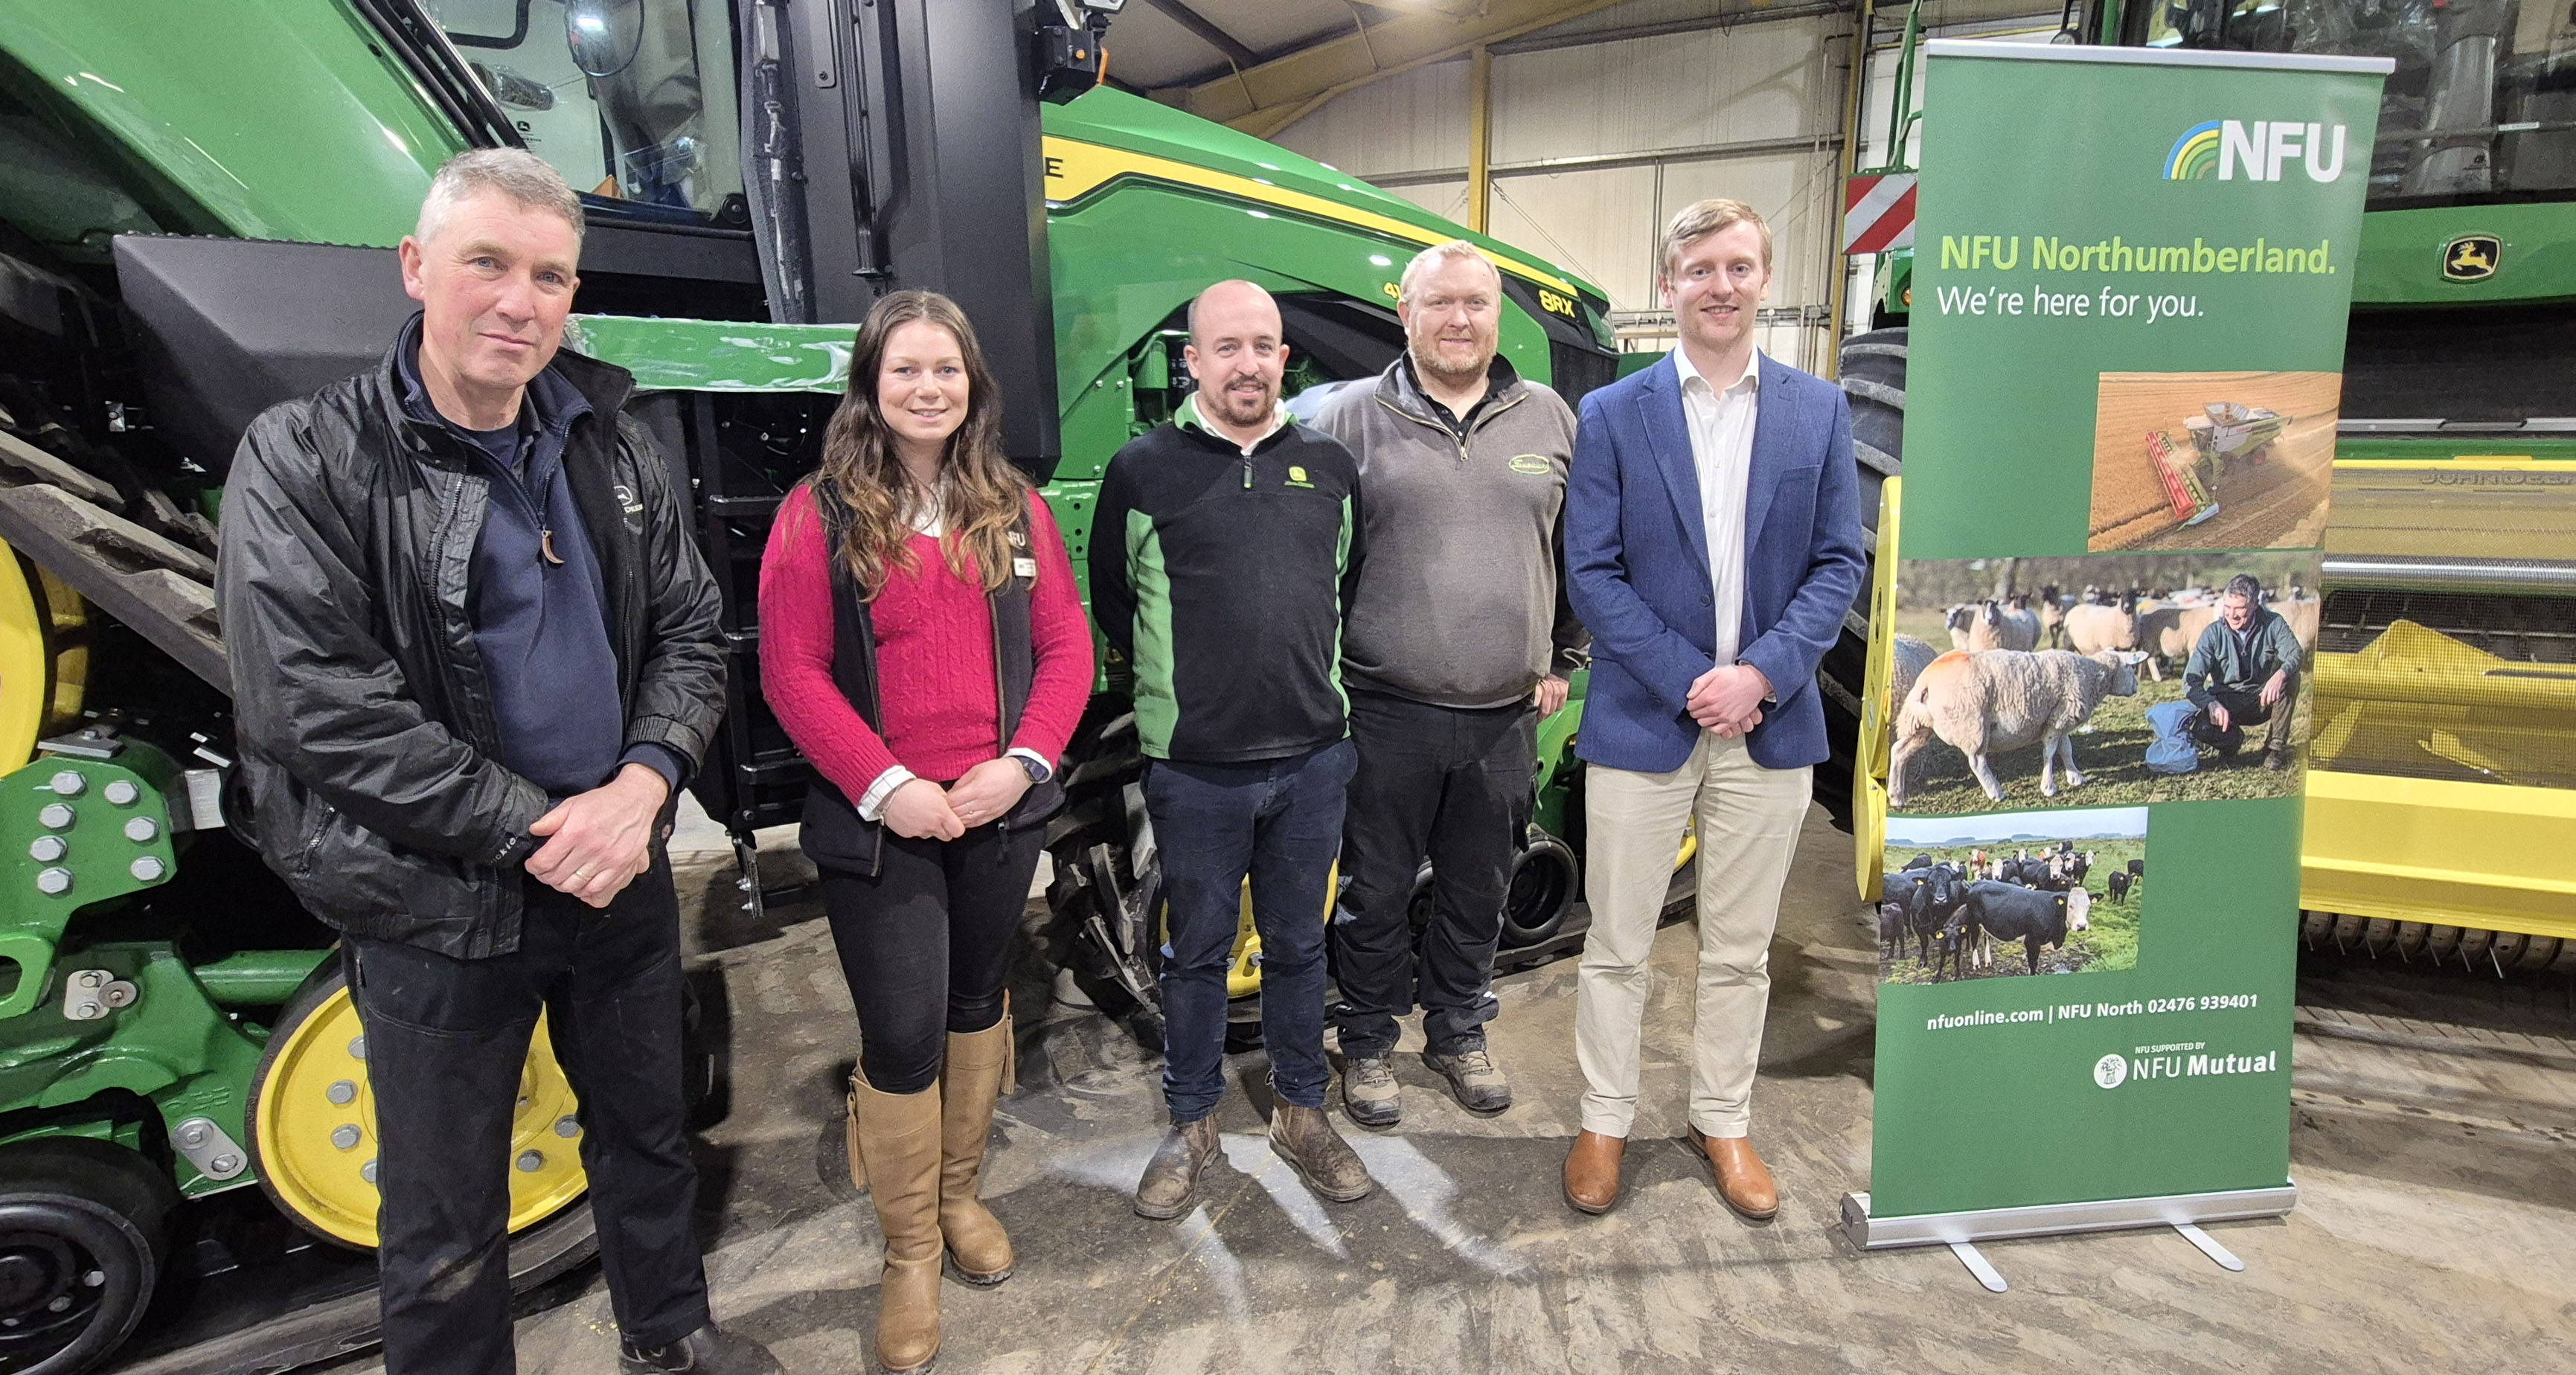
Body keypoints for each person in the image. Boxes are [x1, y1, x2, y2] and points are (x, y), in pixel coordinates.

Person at [217, 150, 763, 1374]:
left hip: (616, 868)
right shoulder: (307, 455)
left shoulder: (610, 445)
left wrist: (641, 785)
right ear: (417, 269)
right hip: (438, 897)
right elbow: (316, 705)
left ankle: (668, 1334)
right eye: (488, 264)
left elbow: (689, 631)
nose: (520, 302)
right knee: (444, 1215)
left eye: (550, 276)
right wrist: (535, 828)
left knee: (647, 1132)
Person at [757, 291, 1091, 1374]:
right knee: (902, 1034)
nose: (928, 388)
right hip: (883, 824)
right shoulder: (818, 513)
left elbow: (1066, 648)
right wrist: (886, 783)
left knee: (975, 1004)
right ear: (870, 384)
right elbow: (792, 673)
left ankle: (956, 1198)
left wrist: (1023, 762)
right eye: (905, 369)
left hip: (995, 812)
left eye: (946, 369)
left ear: (972, 384)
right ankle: (908, 1252)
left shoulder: (1014, 508)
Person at [1557, 199, 1866, 1219]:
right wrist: (1693, 678)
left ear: (1764, 280)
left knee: (1739, 949)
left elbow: (1838, 563)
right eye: (1699, 270)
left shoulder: (1819, 411)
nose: (1720, 286)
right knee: (1617, 944)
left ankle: (1721, 1120)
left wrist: (1761, 675)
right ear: (1669, 285)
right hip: (1644, 720)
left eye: (1738, 267)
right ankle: (1604, 1119)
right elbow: (1592, 570)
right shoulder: (1614, 412)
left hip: (1769, 725)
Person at [1089, 280, 1375, 1218]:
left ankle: (1301, 1111)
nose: (1247, 365)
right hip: (1195, 769)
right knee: (1197, 954)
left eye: (1263, 347)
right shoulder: (1142, 470)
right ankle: (1192, 1122)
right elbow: (1116, 600)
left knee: (1299, 946)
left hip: (1313, 759)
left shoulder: (1330, 466)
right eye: (1227, 347)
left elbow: (1346, 585)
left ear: (1284, 359)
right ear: (1192, 361)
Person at [1307, 241, 1584, 1127]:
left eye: (1475, 303)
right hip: (1385, 711)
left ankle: (1459, 1031)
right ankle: (1367, 1041)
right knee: (1374, 892)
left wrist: (1564, 659)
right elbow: (1310, 559)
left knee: (1480, 888)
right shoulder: (1346, 417)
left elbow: (1579, 551)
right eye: (1439, 303)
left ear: (1496, 315)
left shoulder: (1549, 419)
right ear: (1406, 312)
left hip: (1505, 717)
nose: (1459, 320)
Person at [2185, 574, 2303, 770]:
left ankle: (2274, 749)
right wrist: (2210, 703)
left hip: (2263, 698)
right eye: (2227, 607)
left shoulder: (2273, 623)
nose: (2232, 615)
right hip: (2226, 702)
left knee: (2291, 678)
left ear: (2255, 604)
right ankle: (2231, 743)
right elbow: (2190, 682)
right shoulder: (2212, 633)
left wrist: (2280, 675)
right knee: (2202, 729)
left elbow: (2295, 653)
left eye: (2239, 608)